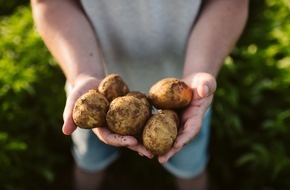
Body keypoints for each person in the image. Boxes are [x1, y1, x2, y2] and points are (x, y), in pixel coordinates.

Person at [30, 0, 248, 189]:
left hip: (190, 94)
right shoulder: (97, 98)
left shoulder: (185, 101)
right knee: (88, 161)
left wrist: (200, 67)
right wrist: (83, 72)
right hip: (91, 81)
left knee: (191, 166)